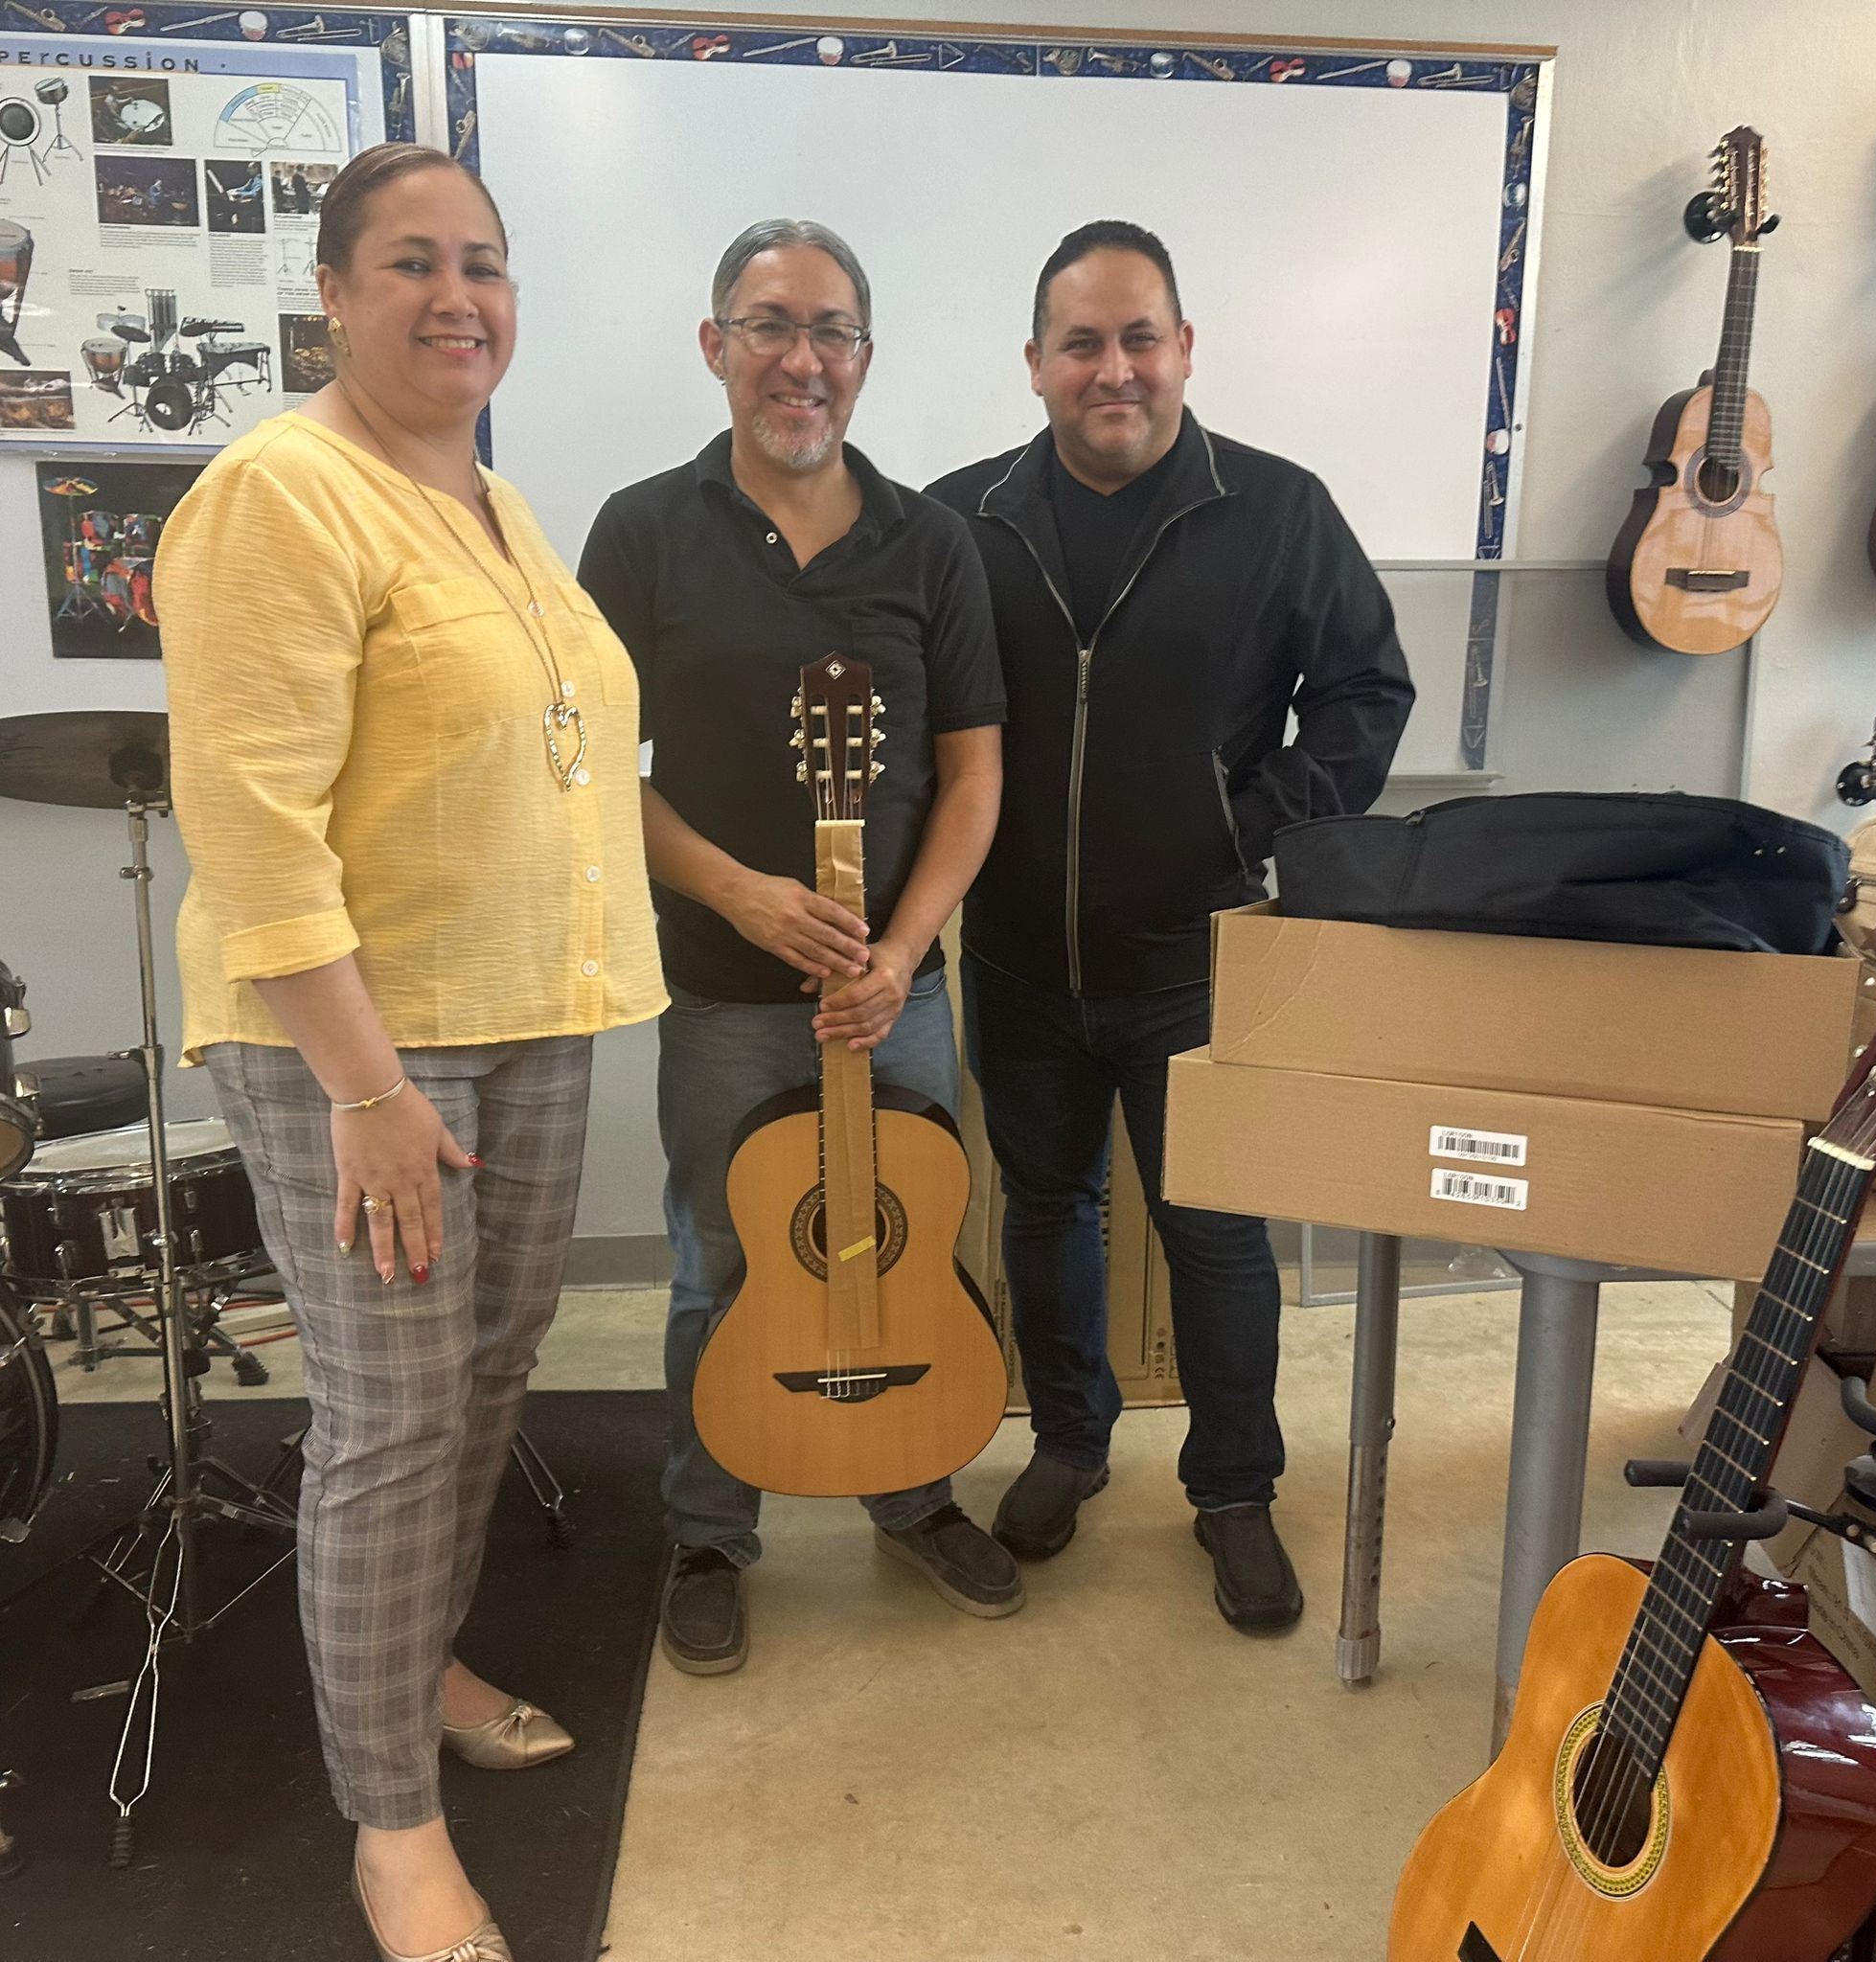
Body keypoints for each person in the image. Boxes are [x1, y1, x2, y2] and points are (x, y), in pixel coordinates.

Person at [156, 142, 664, 1962]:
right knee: (389, 1417)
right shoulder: (280, 495)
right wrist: (366, 1092)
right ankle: (392, 1826)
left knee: (492, 1372)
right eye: (414, 264)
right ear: (334, 294)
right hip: (358, 1043)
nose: (461, 296)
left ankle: (417, 1664)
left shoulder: (496, 508)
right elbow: (251, 823)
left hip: (529, 1009)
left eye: (489, 264)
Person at [927, 220, 1414, 1634]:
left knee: (1214, 1234)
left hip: (1194, 964)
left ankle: (1235, 1489)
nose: (1115, 368)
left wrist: (1248, 824)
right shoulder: (962, 521)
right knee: (1045, 1209)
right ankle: (1070, 1442)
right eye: (1082, 342)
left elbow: (1366, 693)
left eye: (1142, 337)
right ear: (1035, 365)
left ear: (1187, 350)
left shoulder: (1277, 509)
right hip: (1014, 961)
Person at [579, 218, 1018, 1677]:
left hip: (898, 994)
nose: (801, 359)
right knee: (722, 1262)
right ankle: (711, 1530)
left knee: (909, 1246)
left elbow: (972, 776)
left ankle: (913, 1490)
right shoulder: (642, 533)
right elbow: (588, 770)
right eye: (770, 325)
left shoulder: (933, 543)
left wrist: (904, 949)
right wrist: (739, 893)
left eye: (831, 330)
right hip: (719, 995)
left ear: (866, 360)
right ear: (715, 346)